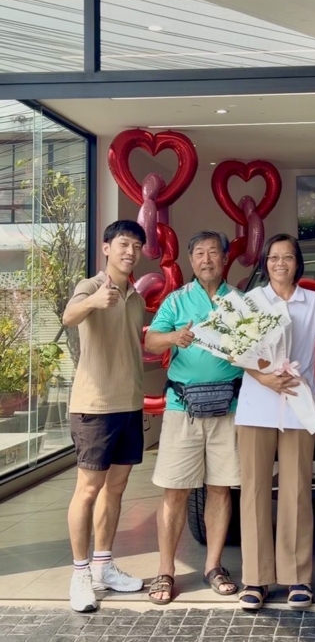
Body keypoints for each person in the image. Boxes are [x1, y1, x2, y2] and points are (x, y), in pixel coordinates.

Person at [235, 233, 315, 611]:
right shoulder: (251, 302)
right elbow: (237, 351)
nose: (280, 263)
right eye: (273, 257)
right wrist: (264, 378)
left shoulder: (313, 302)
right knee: (254, 491)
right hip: (257, 408)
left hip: (299, 409)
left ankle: (298, 577)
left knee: (297, 491)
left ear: (297, 263)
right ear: (265, 263)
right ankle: (255, 579)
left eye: (287, 257)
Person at [145, 230, 242, 605]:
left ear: (224, 259)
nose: (206, 259)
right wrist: (173, 338)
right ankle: (165, 569)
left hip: (228, 407)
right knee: (175, 491)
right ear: (190, 260)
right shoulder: (176, 300)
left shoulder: (240, 302)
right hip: (182, 406)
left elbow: (258, 346)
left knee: (220, 488)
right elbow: (151, 340)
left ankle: (213, 566)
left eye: (213, 252)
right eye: (199, 253)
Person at [63, 220, 147, 613]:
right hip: (94, 406)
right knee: (88, 489)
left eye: (137, 246)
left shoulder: (137, 297)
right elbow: (69, 316)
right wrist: (94, 302)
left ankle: (103, 565)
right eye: (124, 244)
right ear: (107, 248)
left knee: (115, 489)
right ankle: (80, 575)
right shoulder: (91, 285)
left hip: (129, 405)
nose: (131, 252)